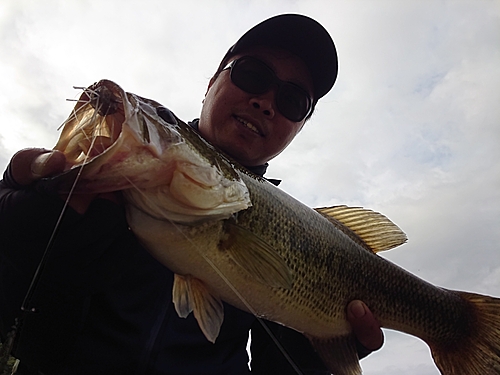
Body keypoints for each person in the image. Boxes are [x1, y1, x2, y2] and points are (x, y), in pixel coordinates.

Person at [0, 14, 383, 375]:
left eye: (293, 101)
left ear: (298, 128)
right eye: (252, 74)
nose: (265, 102)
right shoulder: (124, 174)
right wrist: (16, 229)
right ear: (211, 82)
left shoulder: (293, 233)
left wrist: (316, 351)